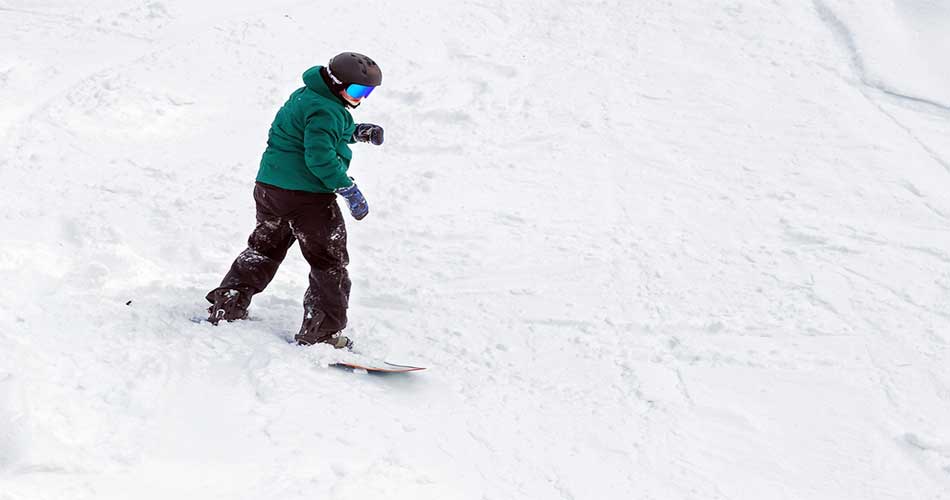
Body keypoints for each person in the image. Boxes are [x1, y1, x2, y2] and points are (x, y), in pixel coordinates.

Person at [204, 52, 385, 349]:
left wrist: (356, 132)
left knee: (264, 248)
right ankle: (322, 332)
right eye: (356, 91)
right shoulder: (328, 110)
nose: (361, 98)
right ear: (337, 83)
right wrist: (347, 188)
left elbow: (316, 132)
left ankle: (229, 302)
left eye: (366, 92)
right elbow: (320, 155)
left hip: (270, 188)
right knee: (328, 263)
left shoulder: (306, 96)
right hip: (308, 198)